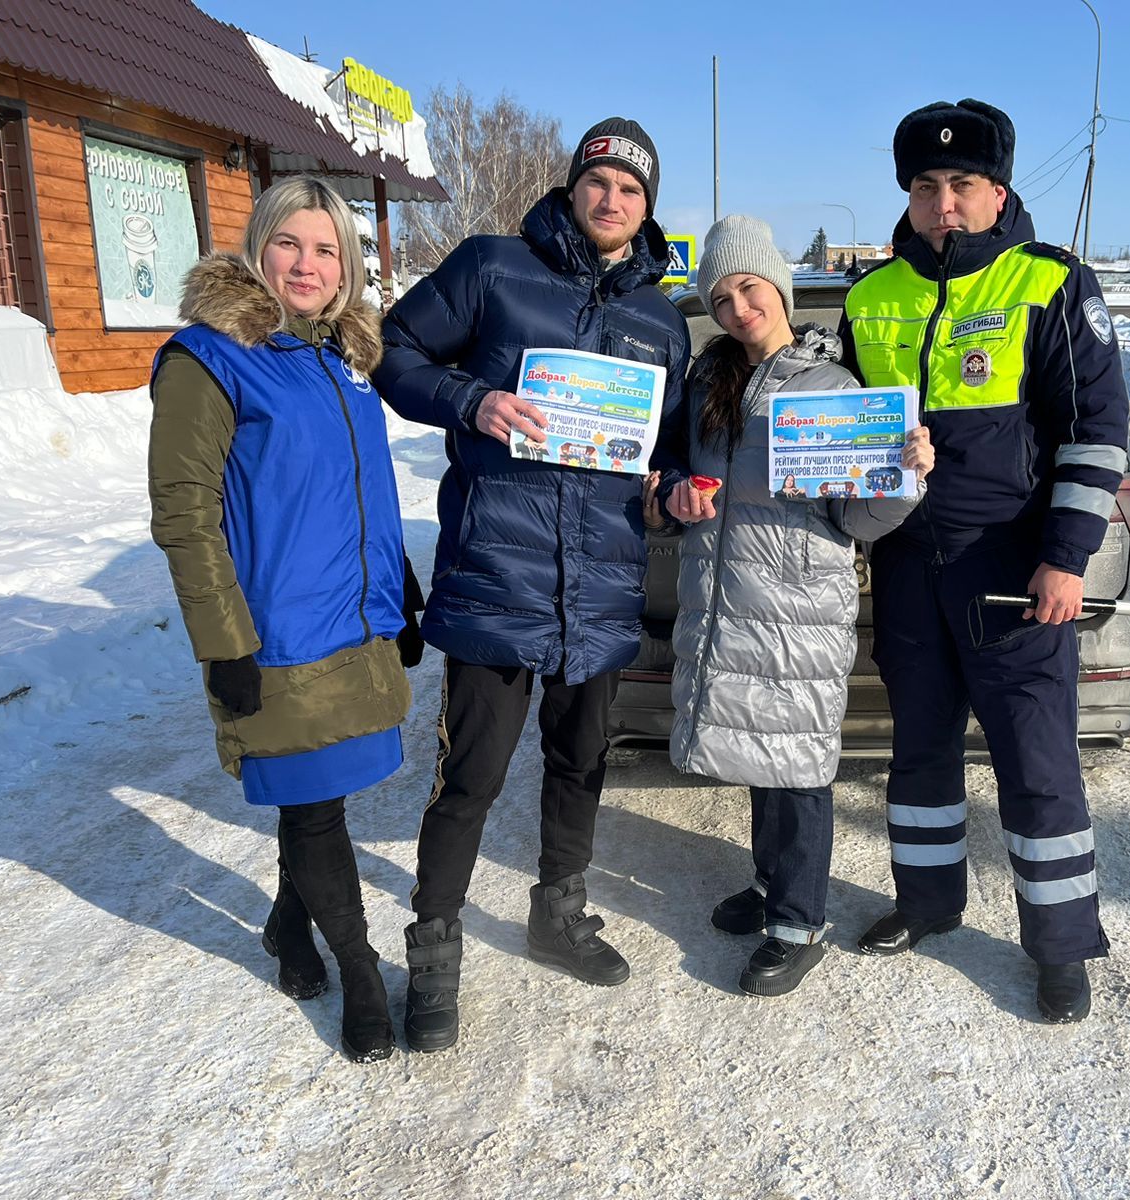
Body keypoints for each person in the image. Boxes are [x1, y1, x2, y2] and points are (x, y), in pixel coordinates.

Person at [373, 117, 690, 1052]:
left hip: (598, 589)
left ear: (647, 207)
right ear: (574, 185)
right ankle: (434, 951)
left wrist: (676, 489)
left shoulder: (661, 322)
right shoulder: (491, 267)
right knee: (467, 778)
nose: (612, 199)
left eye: (632, 190)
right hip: (495, 576)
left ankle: (559, 911)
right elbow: (394, 352)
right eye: (599, 181)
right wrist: (474, 400)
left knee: (580, 763)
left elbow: (663, 453)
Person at [839, 99, 1129, 1023]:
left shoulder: (1048, 283)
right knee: (918, 751)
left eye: (963, 185)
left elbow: (1095, 433)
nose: (945, 203)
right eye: (927, 187)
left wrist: (1067, 556)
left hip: (1012, 568)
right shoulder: (869, 297)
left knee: (1037, 764)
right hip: (910, 567)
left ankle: (1061, 945)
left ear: (998, 189)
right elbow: (837, 430)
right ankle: (927, 905)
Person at [147, 177, 420, 1062]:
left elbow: (364, 492)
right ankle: (363, 972)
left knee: (320, 796)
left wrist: (401, 589)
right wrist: (224, 643)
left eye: (327, 249)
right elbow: (183, 512)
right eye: (291, 244)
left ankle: (285, 924)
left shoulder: (343, 356)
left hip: (354, 621)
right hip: (280, 636)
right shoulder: (209, 356)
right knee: (314, 811)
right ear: (258, 248)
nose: (308, 264)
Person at [665, 216, 933, 996]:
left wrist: (904, 477)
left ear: (777, 287)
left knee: (799, 766)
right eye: (720, 297)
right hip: (725, 593)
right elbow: (689, 472)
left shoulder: (836, 388)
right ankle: (766, 884)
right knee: (759, 753)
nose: (737, 308)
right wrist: (679, 493)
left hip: (797, 599)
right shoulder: (710, 380)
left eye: (748, 288)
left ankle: (800, 920)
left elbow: (856, 518)